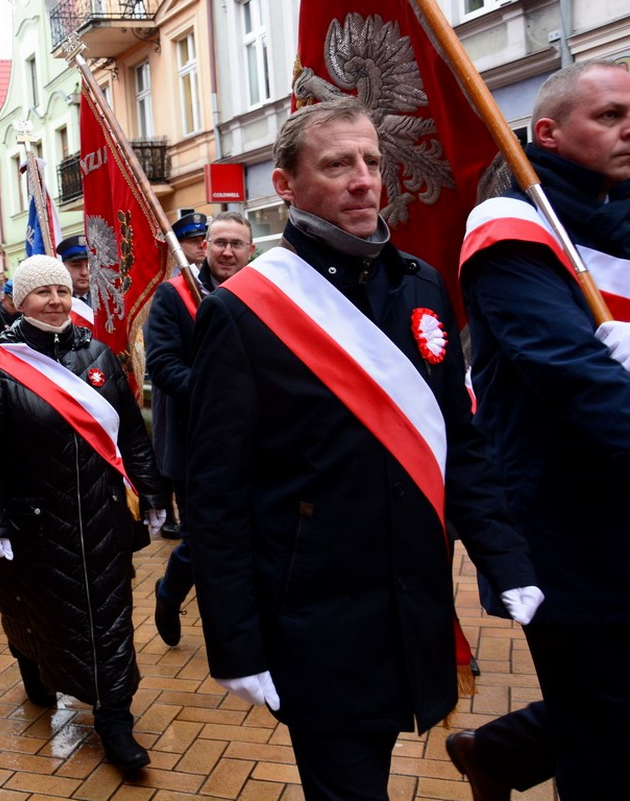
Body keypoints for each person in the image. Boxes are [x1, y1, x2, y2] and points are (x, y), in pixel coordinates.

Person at [185, 97, 540, 801]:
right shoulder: (243, 310)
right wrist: (236, 641)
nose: (363, 179)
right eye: (337, 164)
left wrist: (505, 557)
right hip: (315, 614)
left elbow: (460, 442)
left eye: (372, 161)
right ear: (285, 184)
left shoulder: (422, 284)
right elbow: (215, 493)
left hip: (413, 599)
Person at [451, 60, 630, 801]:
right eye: (611, 116)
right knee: (608, 741)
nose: (629, 130)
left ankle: (499, 753)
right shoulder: (512, 230)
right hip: (569, 528)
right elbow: (574, 377)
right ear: (548, 132)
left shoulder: (619, 217)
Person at [0, 255, 168, 771]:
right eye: (42, 292)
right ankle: (32, 661)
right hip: (36, 523)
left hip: (102, 517)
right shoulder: (0, 370)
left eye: (61, 290)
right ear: (21, 301)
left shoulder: (98, 355)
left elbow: (131, 433)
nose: (55, 300)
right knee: (44, 612)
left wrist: (152, 494)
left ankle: (115, 718)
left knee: (110, 617)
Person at [147, 211, 255, 647]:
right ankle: (169, 593)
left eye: (237, 244)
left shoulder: (262, 292)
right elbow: (162, 364)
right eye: (220, 243)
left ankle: (242, 622)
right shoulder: (174, 295)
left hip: (252, 439)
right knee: (202, 539)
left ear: (250, 250)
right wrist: (218, 395)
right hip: (195, 440)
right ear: (205, 247)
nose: (228, 252)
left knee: (249, 533)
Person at [56, 234, 91, 304]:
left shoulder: (107, 297)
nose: (84, 272)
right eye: (77, 266)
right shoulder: (56, 301)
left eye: (89, 266)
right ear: (64, 267)